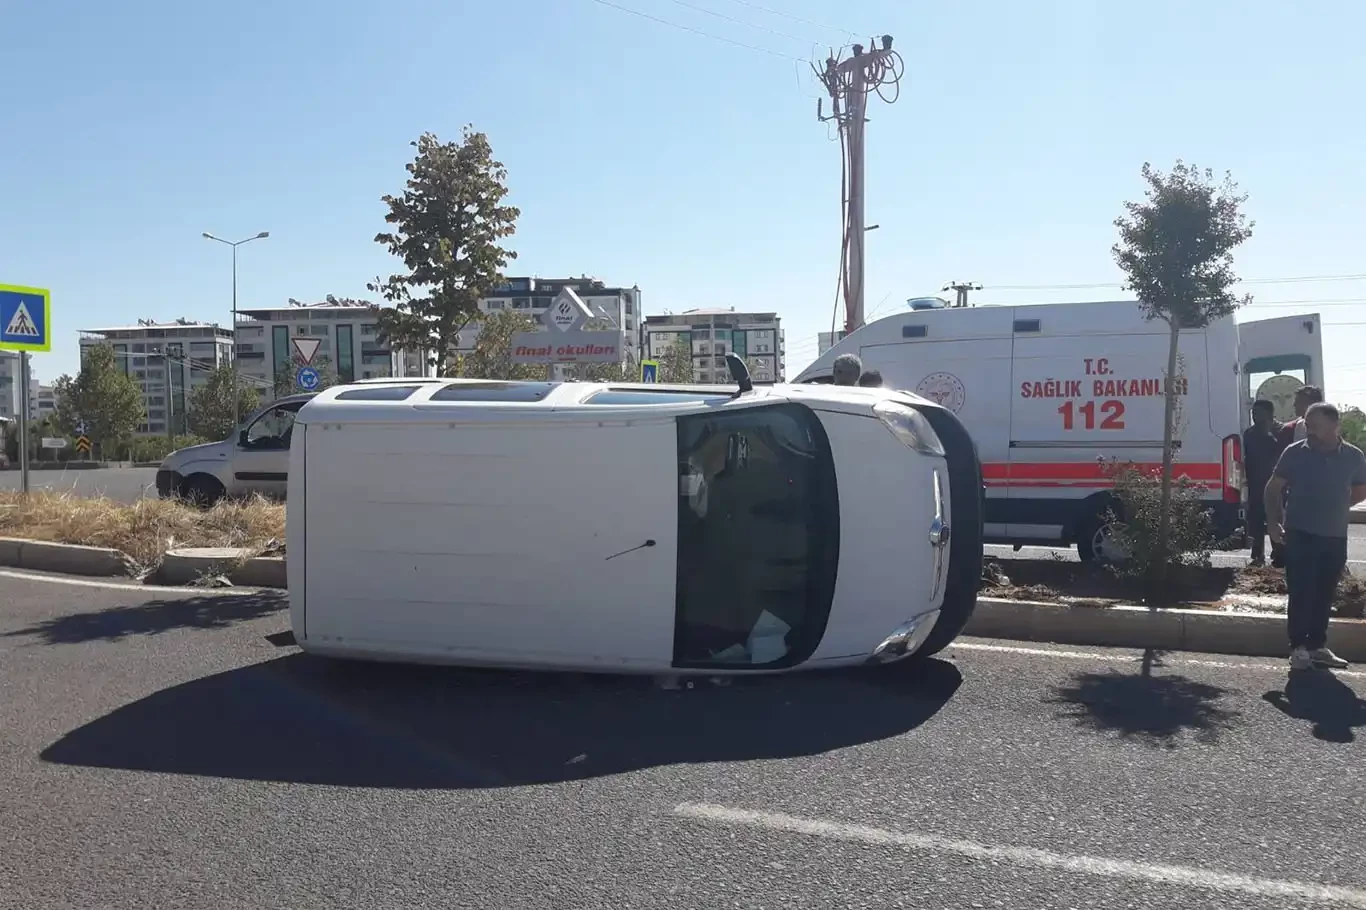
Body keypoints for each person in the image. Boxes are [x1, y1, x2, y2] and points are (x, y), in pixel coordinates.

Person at [1265, 402, 1366, 670]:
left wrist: (1336, 505)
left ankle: (1317, 646)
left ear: (1334, 425)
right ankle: (1298, 647)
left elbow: (1360, 489)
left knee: (1324, 593)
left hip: (1334, 536)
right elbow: (1273, 488)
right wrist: (1273, 523)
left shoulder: (1353, 456)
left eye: (1314, 425)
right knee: (1301, 592)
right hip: (1301, 534)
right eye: (1307, 425)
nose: (1308, 429)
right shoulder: (1295, 453)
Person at [1242, 399, 1286, 567]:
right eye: (1253, 413)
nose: (1254, 416)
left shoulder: (1279, 432)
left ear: (1269, 414)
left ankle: (1279, 553)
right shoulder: (1249, 434)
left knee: (1275, 519)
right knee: (1255, 520)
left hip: (1275, 485)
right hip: (1255, 484)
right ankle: (1257, 554)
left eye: (1258, 413)